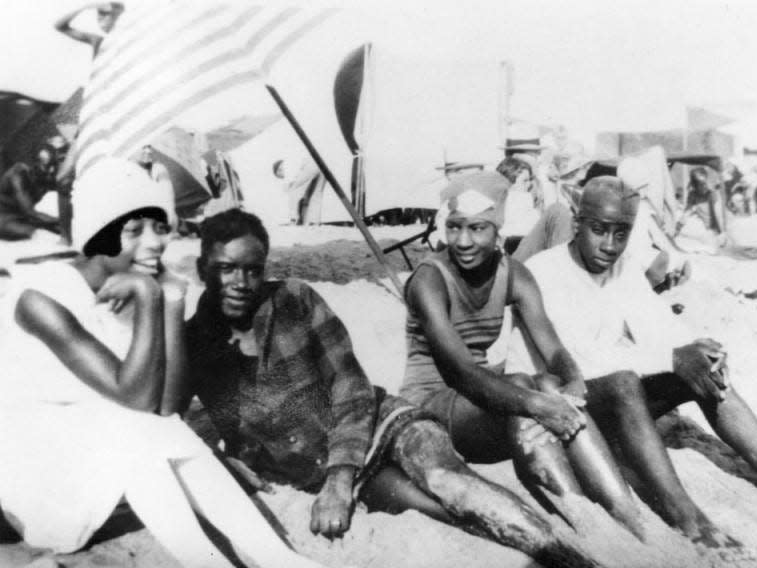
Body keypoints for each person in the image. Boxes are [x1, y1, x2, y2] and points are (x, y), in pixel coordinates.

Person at [182, 208, 599, 568]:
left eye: (253, 269)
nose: (240, 282)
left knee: (447, 481)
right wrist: (223, 463)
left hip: (381, 423)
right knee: (438, 511)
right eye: (225, 269)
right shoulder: (192, 342)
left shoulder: (295, 300)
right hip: (310, 469)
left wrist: (339, 479)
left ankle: (573, 560)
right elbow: (172, 423)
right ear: (203, 269)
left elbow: (351, 385)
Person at [0, 158, 325, 568]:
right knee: (135, 425)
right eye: (133, 230)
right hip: (36, 467)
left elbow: (168, 405)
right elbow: (134, 396)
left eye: (159, 227)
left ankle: (280, 560)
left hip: (106, 445)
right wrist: (149, 296)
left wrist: (170, 301)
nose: (153, 242)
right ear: (96, 237)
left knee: (152, 427)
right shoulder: (41, 297)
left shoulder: (138, 283)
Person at [505, 175, 757, 548]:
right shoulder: (544, 272)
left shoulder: (621, 268)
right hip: (562, 405)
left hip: (607, 400)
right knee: (625, 380)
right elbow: (574, 364)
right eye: (599, 230)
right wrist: (672, 357)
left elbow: (659, 326)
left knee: (706, 368)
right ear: (577, 224)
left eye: (621, 233)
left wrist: (697, 351)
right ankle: (688, 519)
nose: (610, 244)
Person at [399, 172, 644, 539]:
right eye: (454, 228)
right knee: (526, 388)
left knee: (546, 381)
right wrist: (538, 406)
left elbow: (552, 347)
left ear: (498, 229)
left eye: (478, 228)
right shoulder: (429, 279)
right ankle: (582, 517)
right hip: (430, 406)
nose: (463, 241)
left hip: (480, 402)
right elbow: (461, 373)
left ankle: (625, 512)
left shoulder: (513, 273)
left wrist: (572, 380)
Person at [0, 145, 61, 240]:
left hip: (21, 217)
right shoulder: (17, 174)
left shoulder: (43, 182)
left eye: (52, 165)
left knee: (58, 230)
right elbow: (30, 212)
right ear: (35, 163)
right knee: (34, 234)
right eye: (45, 165)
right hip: (4, 219)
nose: (50, 170)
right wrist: (62, 220)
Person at [54, 2, 124, 57]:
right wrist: (83, 8)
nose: (101, 18)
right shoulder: (96, 39)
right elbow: (59, 26)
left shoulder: (125, 35)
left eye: (107, 14)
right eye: (100, 13)